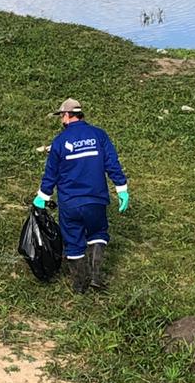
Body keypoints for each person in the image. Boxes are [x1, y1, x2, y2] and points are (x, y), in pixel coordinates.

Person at [33, 98, 128, 293]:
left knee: (74, 241)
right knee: (98, 234)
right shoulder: (98, 135)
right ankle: (95, 277)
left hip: (70, 202)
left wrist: (42, 197)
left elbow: (51, 173)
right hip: (96, 199)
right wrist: (122, 188)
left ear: (67, 116)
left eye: (61, 116)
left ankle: (79, 285)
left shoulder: (59, 142)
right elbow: (112, 163)